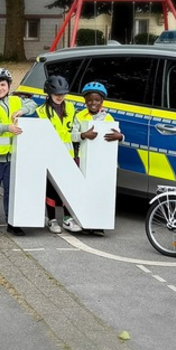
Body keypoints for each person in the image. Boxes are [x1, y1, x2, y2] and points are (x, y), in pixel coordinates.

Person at [0, 67, 36, 236]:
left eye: (3, 84)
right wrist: (7, 127)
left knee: (12, 191)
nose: (0, 88)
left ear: (9, 86)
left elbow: (32, 104)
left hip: (13, 156)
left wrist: (22, 110)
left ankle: (12, 221)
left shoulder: (16, 101)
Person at [69, 81, 124, 236]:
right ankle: (85, 222)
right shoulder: (79, 116)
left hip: (102, 162)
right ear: (85, 101)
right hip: (85, 160)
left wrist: (120, 137)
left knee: (100, 192)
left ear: (102, 101)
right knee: (85, 192)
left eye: (97, 100)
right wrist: (83, 135)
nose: (93, 103)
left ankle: (98, 224)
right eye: (90, 100)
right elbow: (72, 135)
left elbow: (118, 134)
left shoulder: (108, 118)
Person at [37, 75, 74, 235]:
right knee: (51, 190)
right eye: (56, 94)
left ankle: (67, 218)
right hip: (49, 155)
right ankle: (52, 219)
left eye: (63, 94)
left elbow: (76, 127)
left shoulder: (71, 108)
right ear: (49, 93)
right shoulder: (41, 111)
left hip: (67, 156)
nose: (60, 97)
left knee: (67, 188)